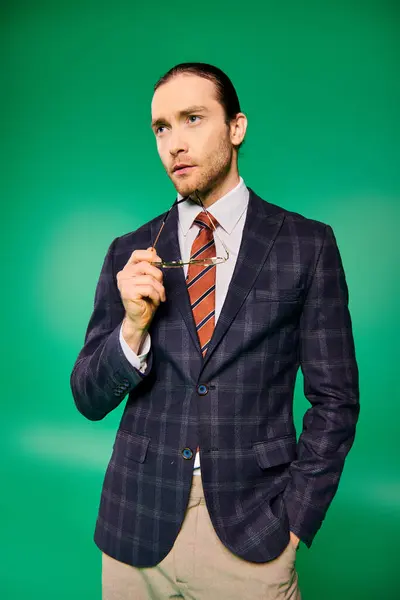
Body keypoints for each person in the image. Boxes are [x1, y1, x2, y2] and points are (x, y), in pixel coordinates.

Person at [70, 62, 360, 600]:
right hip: (136, 524)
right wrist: (132, 328)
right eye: (161, 127)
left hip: (254, 527)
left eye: (193, 118)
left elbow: (336, 400)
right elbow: (88, 397)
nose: (175, 142)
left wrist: (296, 520)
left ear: (236, 127)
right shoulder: (128, 251)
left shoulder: (307, 245)